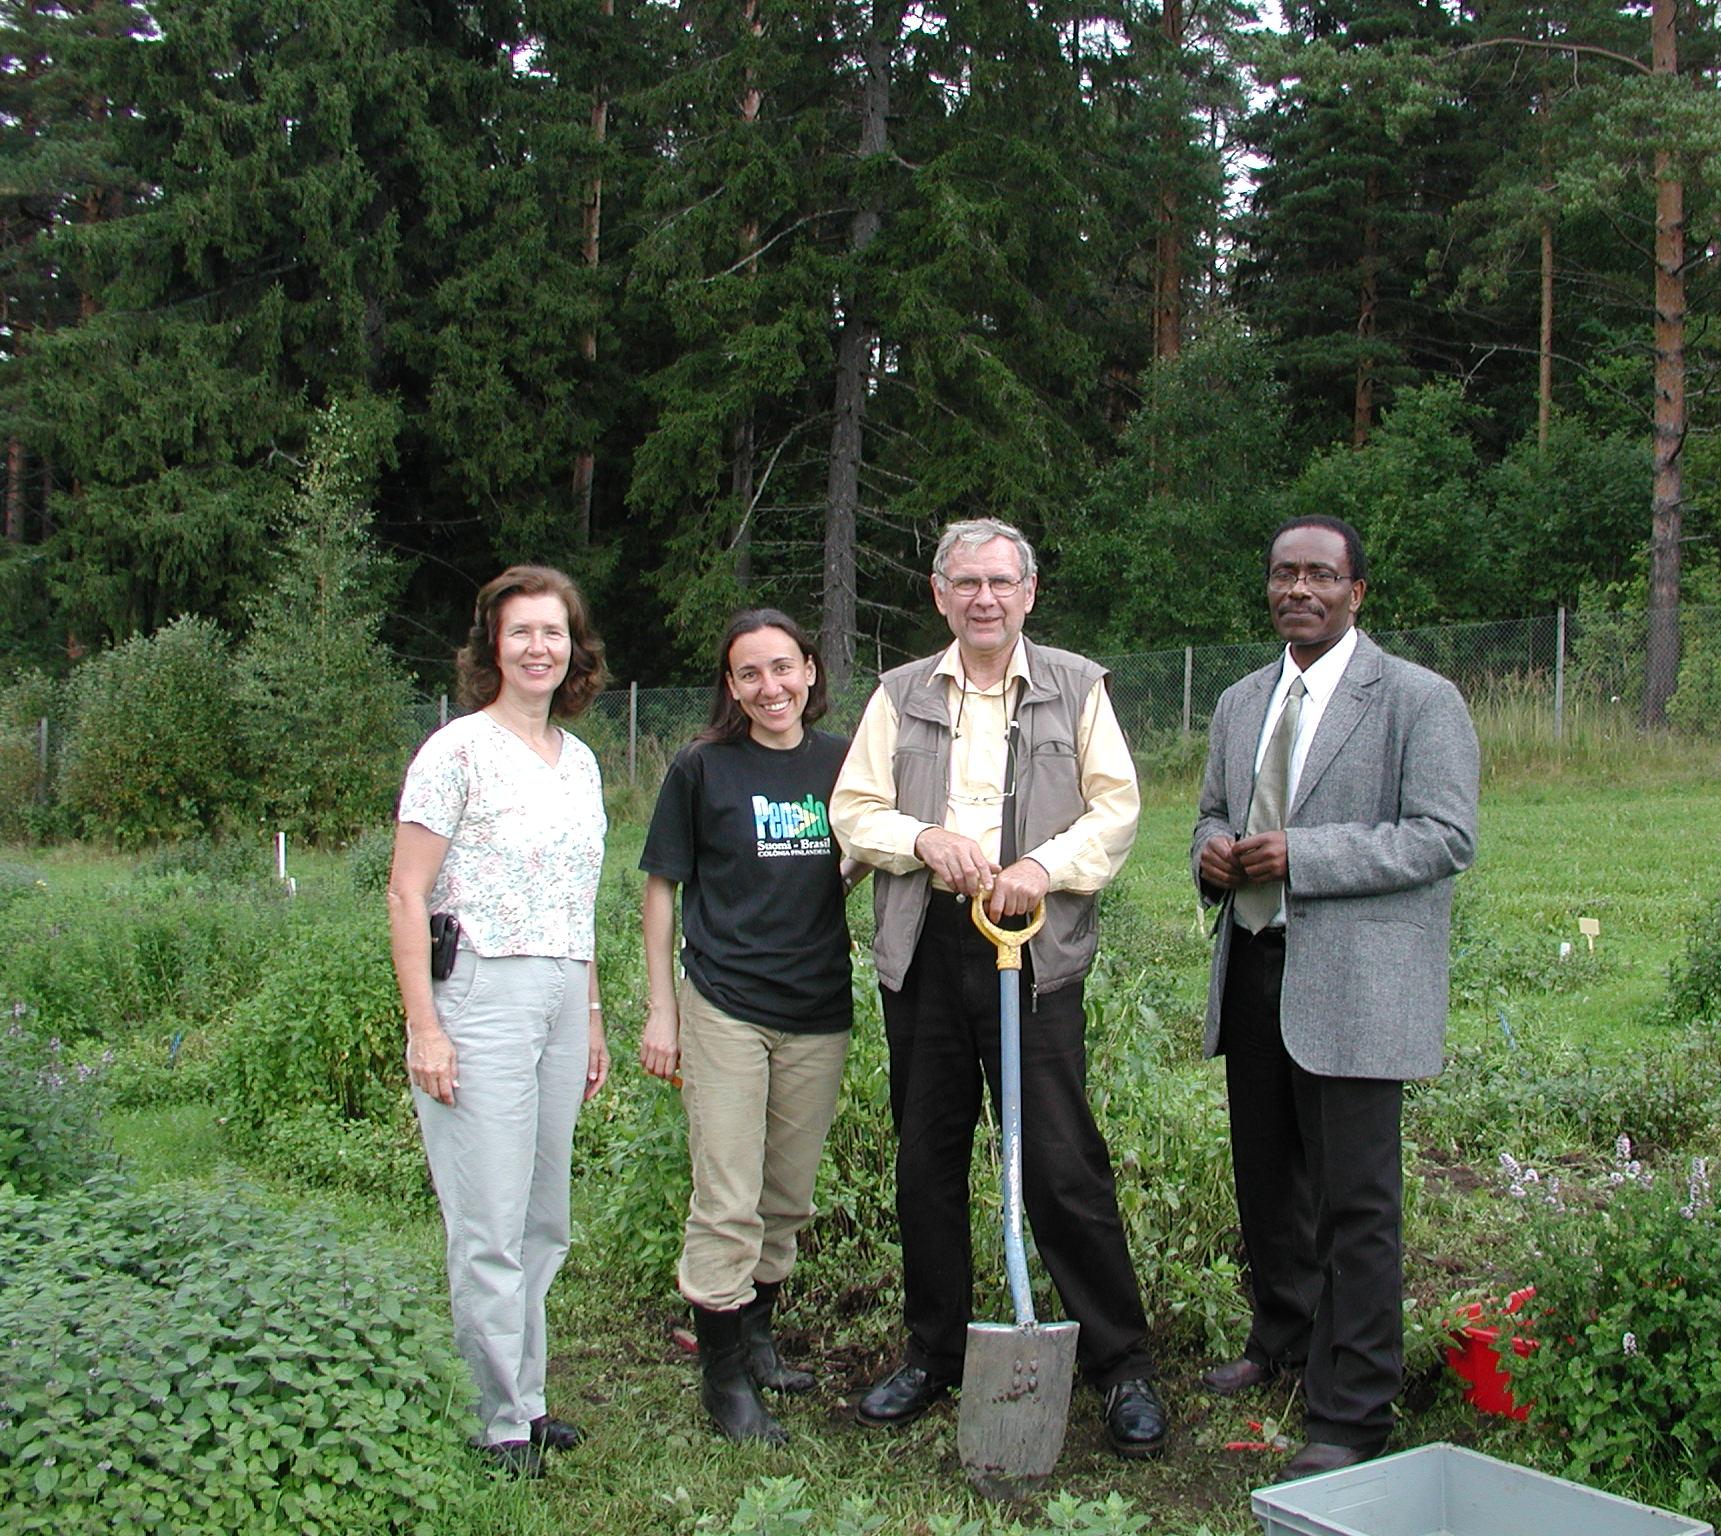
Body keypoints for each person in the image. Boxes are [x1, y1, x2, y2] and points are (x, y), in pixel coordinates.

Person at [830, 516, 1168, 1458]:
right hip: (931, 945)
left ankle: (1121, 1366)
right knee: (926, 1156)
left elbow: (1117, 809)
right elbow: (853, 809)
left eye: (1001, 583)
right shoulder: (898, 695)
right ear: (940, 596)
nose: (985, 599)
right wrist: (921, 839)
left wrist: (1044, 868)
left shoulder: (1077, 686)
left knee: (1061, 1159)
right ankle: (934, 1354)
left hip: (1033, 945)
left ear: (1028, 594)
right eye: (966, 583)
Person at [1191, 516, 1478, 1480]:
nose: (1297, 590)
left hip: (1357, 985)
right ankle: (1281, 1342)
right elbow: (1215, 810)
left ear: (1360, 591)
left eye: (1320, 574)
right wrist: (1212, 851)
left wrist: (1303, 858)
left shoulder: (1416, 700)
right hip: (1256, 970)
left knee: (1356, 1204)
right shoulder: (1239, 701)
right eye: (1282, 574)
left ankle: (1354, 1407)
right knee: (1270, 1184)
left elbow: (1442, 836)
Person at [387, 565, 613, 1480]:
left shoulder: (584, 759)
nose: (537, 648)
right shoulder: (456, 751)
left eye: (552, 632)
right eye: (520, 632)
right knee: (486, 1215)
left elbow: (580, 898)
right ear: (492, 648)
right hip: (478, 991)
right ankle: (496, 1420)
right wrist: (425, 1028)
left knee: (541, 1215)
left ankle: (529, 1395)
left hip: (561, 990)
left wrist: (593, 1016)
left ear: (574, 649)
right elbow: (406, 893)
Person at [637, 610, 863, 1444]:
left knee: (785, 1197)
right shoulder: (702, 768)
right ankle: (723, 1380)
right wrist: (663, 1008)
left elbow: (868, 841)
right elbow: (662, 885)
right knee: (727, 1195)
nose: (770, 688)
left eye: (783, 668)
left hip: (817, 1007)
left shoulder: (842, 762)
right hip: (724, 1001)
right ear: (730, 687)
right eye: (749, 675)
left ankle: (759, 1340)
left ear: (810, 669)